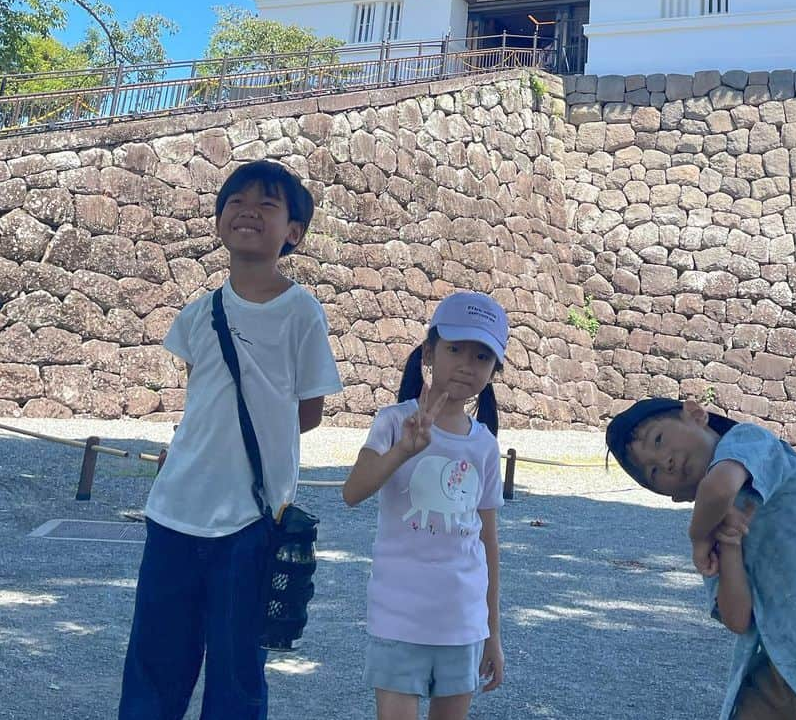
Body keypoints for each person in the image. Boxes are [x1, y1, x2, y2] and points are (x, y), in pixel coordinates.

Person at [119, 159, 343, 720]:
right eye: (236, 200)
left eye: (268, 204)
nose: (248, 211)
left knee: (237, 676)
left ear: (293, 232)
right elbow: (200, 402)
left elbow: (309, 412)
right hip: (173, 513)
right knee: (153, 669)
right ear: (219, 219)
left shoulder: (302, 313)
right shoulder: (198, 315)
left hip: (250, 522)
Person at [605, 398, 796, 720]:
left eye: (659, 439)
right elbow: (737, 619)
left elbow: (720, 487)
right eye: (653, 471)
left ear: (696, 415)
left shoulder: (750, 440)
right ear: (677, 497)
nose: (664, 461)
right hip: (780, 670)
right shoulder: (714, 530)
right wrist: (730, 546)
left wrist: (698, 538)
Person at [342, 292, 508, 720]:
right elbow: (352, 491)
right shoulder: (393, 422)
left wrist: (493, 633)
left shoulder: (485, 444)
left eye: (483, 356)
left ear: (494, 370)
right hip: (398, 618)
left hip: (463, 622)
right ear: (429, 353)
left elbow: (488, 542)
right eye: (455, 349)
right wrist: (403, 451)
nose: (468, 364)